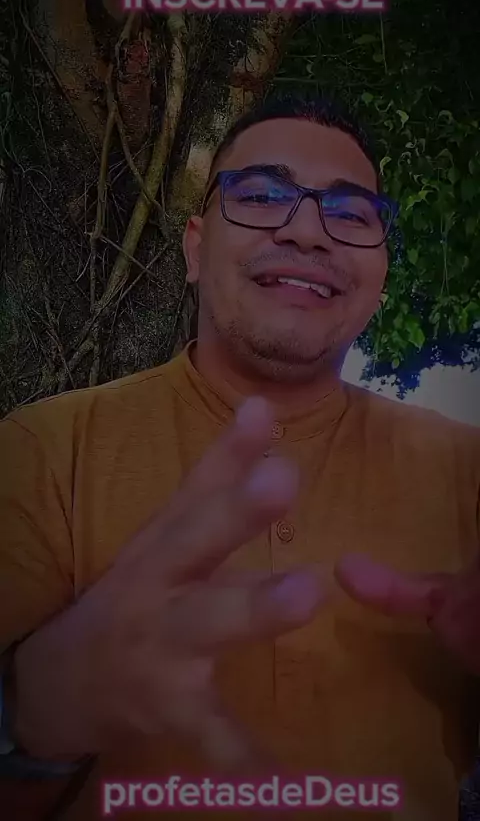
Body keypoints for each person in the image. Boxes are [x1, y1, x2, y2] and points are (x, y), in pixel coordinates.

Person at [0, 94, 479, 821]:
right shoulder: (41, 451)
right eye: (260, 196)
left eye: (351, 214)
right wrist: (31, 713)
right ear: (195, 248)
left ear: (379, 274)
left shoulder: (465, 473)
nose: (307, 231)